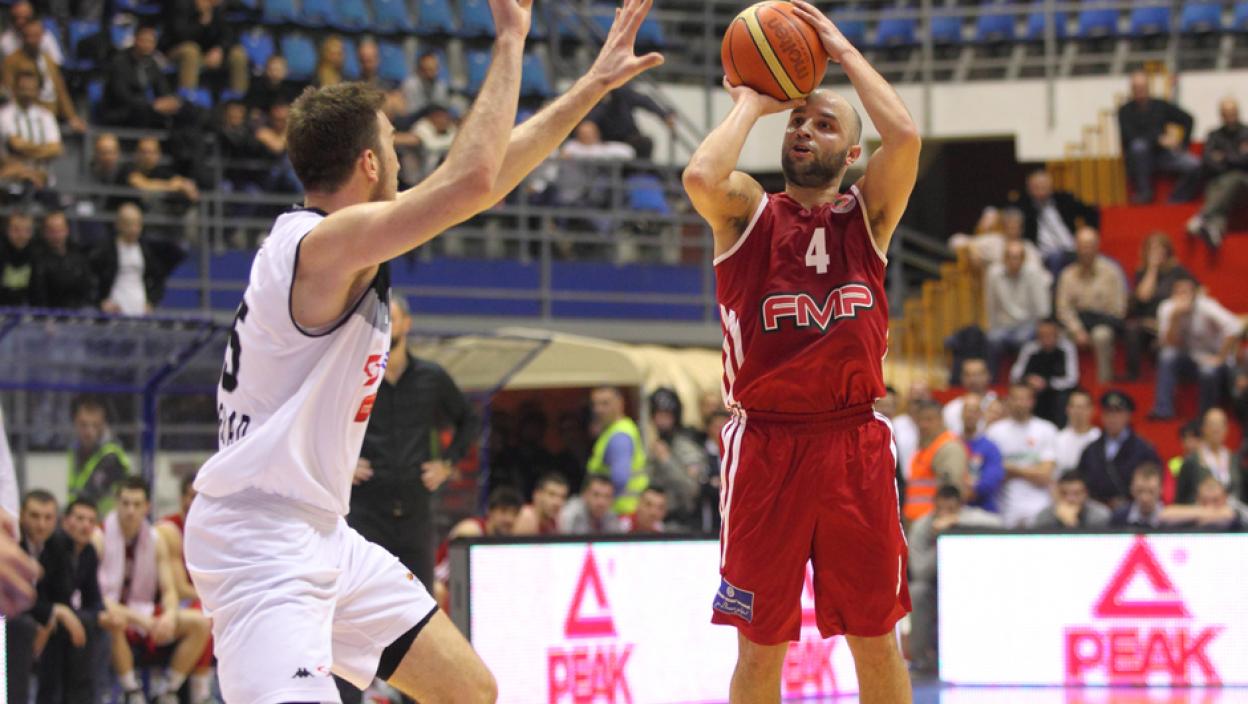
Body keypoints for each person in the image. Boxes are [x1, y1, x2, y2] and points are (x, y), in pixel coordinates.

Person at [182, 1, 664, 700]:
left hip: (321, 533)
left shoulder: (338, 242)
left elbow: (482, 182)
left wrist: (591, 87)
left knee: (469, 690)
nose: (405, 162)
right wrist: (511, 39)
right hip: (260, 547)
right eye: (395, 147)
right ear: (369, 162)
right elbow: (468, 182)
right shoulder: (317, 248)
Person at [682, 2, 921, 699]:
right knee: (761, 651)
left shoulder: (868, 216)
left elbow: (904, 135)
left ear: (852, 155)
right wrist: (752, 103)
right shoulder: (748, 211)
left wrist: (841, 52)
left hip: (853, 444)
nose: (804, 130)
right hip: (766, 447)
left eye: (824, 124)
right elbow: (699, 177)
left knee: (877, 642)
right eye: (798, 122)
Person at [349, 295, 480, 594]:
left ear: (407, 324)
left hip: (416, 512)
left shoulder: (430, 377)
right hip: (367, 509)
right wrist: (342, 464)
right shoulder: (357, 375)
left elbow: (469, 420)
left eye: (391, 320)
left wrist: (447, 463)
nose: (384, 327)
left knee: (419, 596)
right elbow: (322, 421)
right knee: (363, 597)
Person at [97, 478, 211, 704]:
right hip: (114, 613)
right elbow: (98, 598)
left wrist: (169, 616)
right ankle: (132, 691)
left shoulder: (155, 539)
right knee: (114, 621)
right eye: (125, 503)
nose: (130, 510)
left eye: (137, 504)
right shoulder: (99, 536)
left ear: (147, 507)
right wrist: (144, 621)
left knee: (201, 622)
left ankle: (167, 690)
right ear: (116, 503)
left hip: (145, 611)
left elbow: (170, 591)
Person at [905, 485, 1000, 675]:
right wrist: (943, 540)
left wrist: (959, 524)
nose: (945, 515)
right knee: (917, 591)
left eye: (951, 510)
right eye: (941, 509)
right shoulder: (922, 527)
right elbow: (920, 571)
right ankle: (920, 659)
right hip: (935, 586)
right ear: (934, 506)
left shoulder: (969, 517)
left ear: (960, 507)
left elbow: (999, 523)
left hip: (969, 583)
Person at [38, 498, 106, 704]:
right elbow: (49, 595)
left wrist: (95, 616)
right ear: (65, 521)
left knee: (97, 626)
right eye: (80, 518)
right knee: (68, 628)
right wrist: (63, 614)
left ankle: (87, 698)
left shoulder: (88, 552)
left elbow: (94, 598)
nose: (85, 525)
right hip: (43, 612)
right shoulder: (54, 545)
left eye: (90, 521)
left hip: (65, 615)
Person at [1149, 275, 1244, 419]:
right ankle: (1163, 409)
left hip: (1213, 357)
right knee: (1167, 355)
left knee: (1207, 371)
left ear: (1195, 294)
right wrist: (1175, 317)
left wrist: (1220, 357)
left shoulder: (1207, 306)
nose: (1182, 296)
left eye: (1186, 292)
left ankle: (1205, 416)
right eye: (1178, 292)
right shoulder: (1167, 308)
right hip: (1189, 357)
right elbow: (1169, 343)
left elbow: (1235, 327)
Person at [8, 490, 61, 704]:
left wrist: (49, 619)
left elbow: (61, 593)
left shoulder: (57, 545)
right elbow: (13, 597)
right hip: (12, 618)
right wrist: (49, 614)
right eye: (35, 516)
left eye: (48, 517)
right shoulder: (11, 543)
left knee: (73, 625)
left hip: (33, 618)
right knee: (22, 626)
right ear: (21, 516)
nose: (41, 524)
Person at [1055, 227, 1126, 383]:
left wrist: (1098, 319)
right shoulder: (1067, 275)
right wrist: (1077, 330)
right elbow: (1063, 309)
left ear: (1097, 247)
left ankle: (1104, 383)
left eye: (1089, 246)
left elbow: (1119, 308)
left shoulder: (1111, 272)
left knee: (1101, 336)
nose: (1086, 251)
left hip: (1103, 323)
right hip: (1076, 324)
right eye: (1082, 246)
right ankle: (1066, 385)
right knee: (1057, 338)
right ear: (1076, 248)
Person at [1117, 70, 1200, 204]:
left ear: (1148, 87)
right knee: (1139, 146)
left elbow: (1188, 119)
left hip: (1163, 155)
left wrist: (1183, 144)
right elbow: (1129, 136)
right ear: (1131, 89)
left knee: (1194, 164)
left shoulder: (1160, 105)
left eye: (1142, 87)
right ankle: (1144, 193)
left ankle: (1176, 199)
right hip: (1139, 161)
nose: (1140, 90)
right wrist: (1158, 139)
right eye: (1136, 87)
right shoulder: (1125, 111)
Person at [986, 383, 1058, 528]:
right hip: (1004, 506)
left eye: (1024, 399)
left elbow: (1045, 476)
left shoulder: (1046, 429)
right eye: (1016, 398)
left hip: (1040, 505)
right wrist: (1032, 470)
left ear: (1032, 401)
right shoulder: (994, 431)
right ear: (1008, 401)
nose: (1020, 403)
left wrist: (1011, 469)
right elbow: (994, 474)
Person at [1123, 233, 1192, 380]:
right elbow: (1143, 296)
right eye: (1153, 249)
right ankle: (1133, 375)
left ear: (1167, 251)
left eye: (1160, 249)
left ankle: (1167, 376)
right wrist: (1152, 268)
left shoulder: (1177, 271)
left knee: (1160, 346)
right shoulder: (1142, 272)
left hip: (1170, 323)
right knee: (1131, 329)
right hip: (1147, 323)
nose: (1157, 253)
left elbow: (1196, 290)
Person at [1077, 390, 1162, 510]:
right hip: (1096, 509)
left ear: (1128, 416)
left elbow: (1153, 480)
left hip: (1133, 510)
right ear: (1102, 416)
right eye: (1108, 413)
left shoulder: (1144, 449)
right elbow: (1081, 481)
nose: (1113, 418)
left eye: (1118, 413)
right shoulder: (1090, 450)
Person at [1011, 168, 1099, 280]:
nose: (1041, 189)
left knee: (1107, 263)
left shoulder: (1064, 199)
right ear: (1029, 188)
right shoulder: (1023, 206)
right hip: (1045, 254)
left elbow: (1091, 212)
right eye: (1036, 186)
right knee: (1056, 259)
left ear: (1051, 185)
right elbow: (1009, 213)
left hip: (1073, 249)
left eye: (1044, 185)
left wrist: (1087, 231)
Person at [984, 239, 1051, 376]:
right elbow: (991, 303)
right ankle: (993, 379)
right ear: (1004, 259)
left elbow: (1042, 307)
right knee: (992, 338)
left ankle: (1021, 379)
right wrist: (991, 326)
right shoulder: (993, 274)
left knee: (1022, 339)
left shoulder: (1034, 273)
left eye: (1017, 257)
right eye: (1010, 257)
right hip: (1003, 325)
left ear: (1023, 259)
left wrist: (1040, 326)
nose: (1014, 261)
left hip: (1028, 323)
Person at [1188, 97, 1248, 249]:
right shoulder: (1213, 135)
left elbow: (1245, 161)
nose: (1230, 116)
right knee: (1220, 187)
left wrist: (1224, 157)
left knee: (1234, 178)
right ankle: (1215, 230)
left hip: (1244, 185)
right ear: (1221, 115)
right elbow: (1208, 162)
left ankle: (1203, 215)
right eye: (1227, 113)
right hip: (1220, 183)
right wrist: (1236, 156)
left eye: (1233, 112)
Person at [90, 203, 171, 316]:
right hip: (114, 311)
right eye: (129, 224)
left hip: (140, 311)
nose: (134, 229)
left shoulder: (146, 250)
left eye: (137, 224)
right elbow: (91, 278)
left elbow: (158, 278)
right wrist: (101, 302)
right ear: (118, 224)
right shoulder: (105, 250)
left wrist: (151, 302)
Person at [645, 387, 704, 528]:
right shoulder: (653, 445)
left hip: (681, 522)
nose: (661, 421)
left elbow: (692, 489)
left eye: (666, 415)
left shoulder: (688, 449)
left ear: (675, 416)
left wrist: (666, 460)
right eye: (658, 415)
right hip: (654, 520)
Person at [162, 0, 249, 95]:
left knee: (238, 54)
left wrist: (219, 49)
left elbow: (228, 35)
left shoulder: (215, 10)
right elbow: (181, 36)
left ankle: (238, 98)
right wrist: (202, 21)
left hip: (207, 54)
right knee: (191, 51)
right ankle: (188, 97)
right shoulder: (181, 5)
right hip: (176, 51)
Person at [586, 386, 648, 515]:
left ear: (620, 404)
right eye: (595, 404)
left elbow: (619, 479)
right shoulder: (613, 430)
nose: (598, 409)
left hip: (621, 512)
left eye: (605, 404)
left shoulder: (620, 436)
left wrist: (600, 504)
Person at [67, 395, 132, 515]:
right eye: (83, 424)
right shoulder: (75, 449)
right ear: (75, 423)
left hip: (105, 520)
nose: (89, 431)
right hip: (83, 518)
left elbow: (92, 494)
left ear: (103, 425)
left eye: (95, 425)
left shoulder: (111, 456)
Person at [904, 400, 967, 523]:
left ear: (941, 420)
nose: (923, 425)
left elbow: (952, 491)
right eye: (920, 420)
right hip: (917, 522)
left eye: (929, 420)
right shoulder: (924, 448)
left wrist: (943, 521)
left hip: (934, 523)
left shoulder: (948, 447)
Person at [1009, 318, 1079, 426]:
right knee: (1022, 396)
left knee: (1063, 398)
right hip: (1034, 390)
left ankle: (1060, 428)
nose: (1046, 339)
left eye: (1049, 335)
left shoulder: (1067, 348)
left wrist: (1047, 383)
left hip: (1058, 391)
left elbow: (1072, 379)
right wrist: (1028, 380)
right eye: (1042, 335)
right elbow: (1015, 376)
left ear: (1057, 334)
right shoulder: (1029, 348)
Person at [1174, 408, 1243, 505]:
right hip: (1200, 511)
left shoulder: (1235, 460)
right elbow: (1180, 499)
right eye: (1212, 424)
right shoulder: (1192, 461)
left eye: (1220, 425)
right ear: (1203, 428)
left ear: (1226, 429)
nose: (1216, 429)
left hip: (1231, 511)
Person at [0, 69, 63, 176]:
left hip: (42, 175)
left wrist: (27, 151)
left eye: (31, 89)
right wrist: (44, 150)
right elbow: (16, 144)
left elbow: (56, 149)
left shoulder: (46, 116)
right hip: (13, 174)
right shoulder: (4, 114)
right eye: (23, 89)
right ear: (15, 89)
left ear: (38, 91)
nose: (27, 93)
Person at [586, 84, 675, 159]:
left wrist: (664, 115)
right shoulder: (594, 94)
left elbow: (645, 101)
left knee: (645, 144)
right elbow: (590, 119)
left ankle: (643, 172)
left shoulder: (622, 92)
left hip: (628, 136)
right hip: (605, 138)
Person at [32, 210, 96, 309]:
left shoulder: (78, 253)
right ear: (45, 232)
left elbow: (88, 286)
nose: (56, 235)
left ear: (67, 230)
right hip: (50, 311)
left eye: (60, 230)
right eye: (52, 231)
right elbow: (38, 295)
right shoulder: (37, 257)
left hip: (79, 309)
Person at [960, 391, 1004, 514]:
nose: (970, 415)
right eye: (967, 410)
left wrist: (968, 492)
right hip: (954, 509)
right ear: (961, 414)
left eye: (974, 411)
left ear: (980, 415)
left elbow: (991, 481)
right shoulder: (951, 443)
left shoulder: (990, 447)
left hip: (983, 510)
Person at [1160, 476, 1248, 529]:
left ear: (1225, 498)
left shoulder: (1236, 508)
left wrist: (1198, 516)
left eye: (1215, 500)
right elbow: (1165, 515)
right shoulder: (1194, 507)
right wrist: (1205, 513)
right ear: (1197, 498)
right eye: (1205, 501)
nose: (1210, 506)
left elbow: (1228, 515)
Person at [1031, 470, 1111, 529]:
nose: (1070, 499)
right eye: (1064, 493)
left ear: (1086, 493)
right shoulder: (1045, 515)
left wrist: (1071, 522)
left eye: (1077, 493)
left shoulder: (1099, 515)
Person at [942, 358, 995, 438]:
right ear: (961, 378)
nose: (973, 380)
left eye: (978, 374)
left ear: (988, 375)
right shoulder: (951, 408)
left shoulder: (999, 405)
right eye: (968, 375)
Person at [1054, 389, 1101, 475]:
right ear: (1067, 409)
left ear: (1092, 410)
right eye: (1074, 407)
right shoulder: (1057, 439)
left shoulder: (1099, 438)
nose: (1078, 412)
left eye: (1082, 407)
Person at [401, 51, 455, 121]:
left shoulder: (441, 85)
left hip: (436, 121)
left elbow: (443, 108)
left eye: (435, 69)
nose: (432, 73)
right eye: (428, 69)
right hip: (415, 121)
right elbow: (409, 113)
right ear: (420, 70)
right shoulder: (410, 85)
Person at [1110, 463, 1165, 528]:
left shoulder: (1170, 519)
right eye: (1140, 491)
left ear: (1161, 490)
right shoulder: (1119, 517)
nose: (1145, 498)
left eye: (1151, 492)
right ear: (1132, 489)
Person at [0, 211, 38, 305]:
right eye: (16, 230)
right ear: (7, 230)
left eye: (26, 230)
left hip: (27, 308)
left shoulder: (37, 254)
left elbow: (38, 291)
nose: (21, 235)